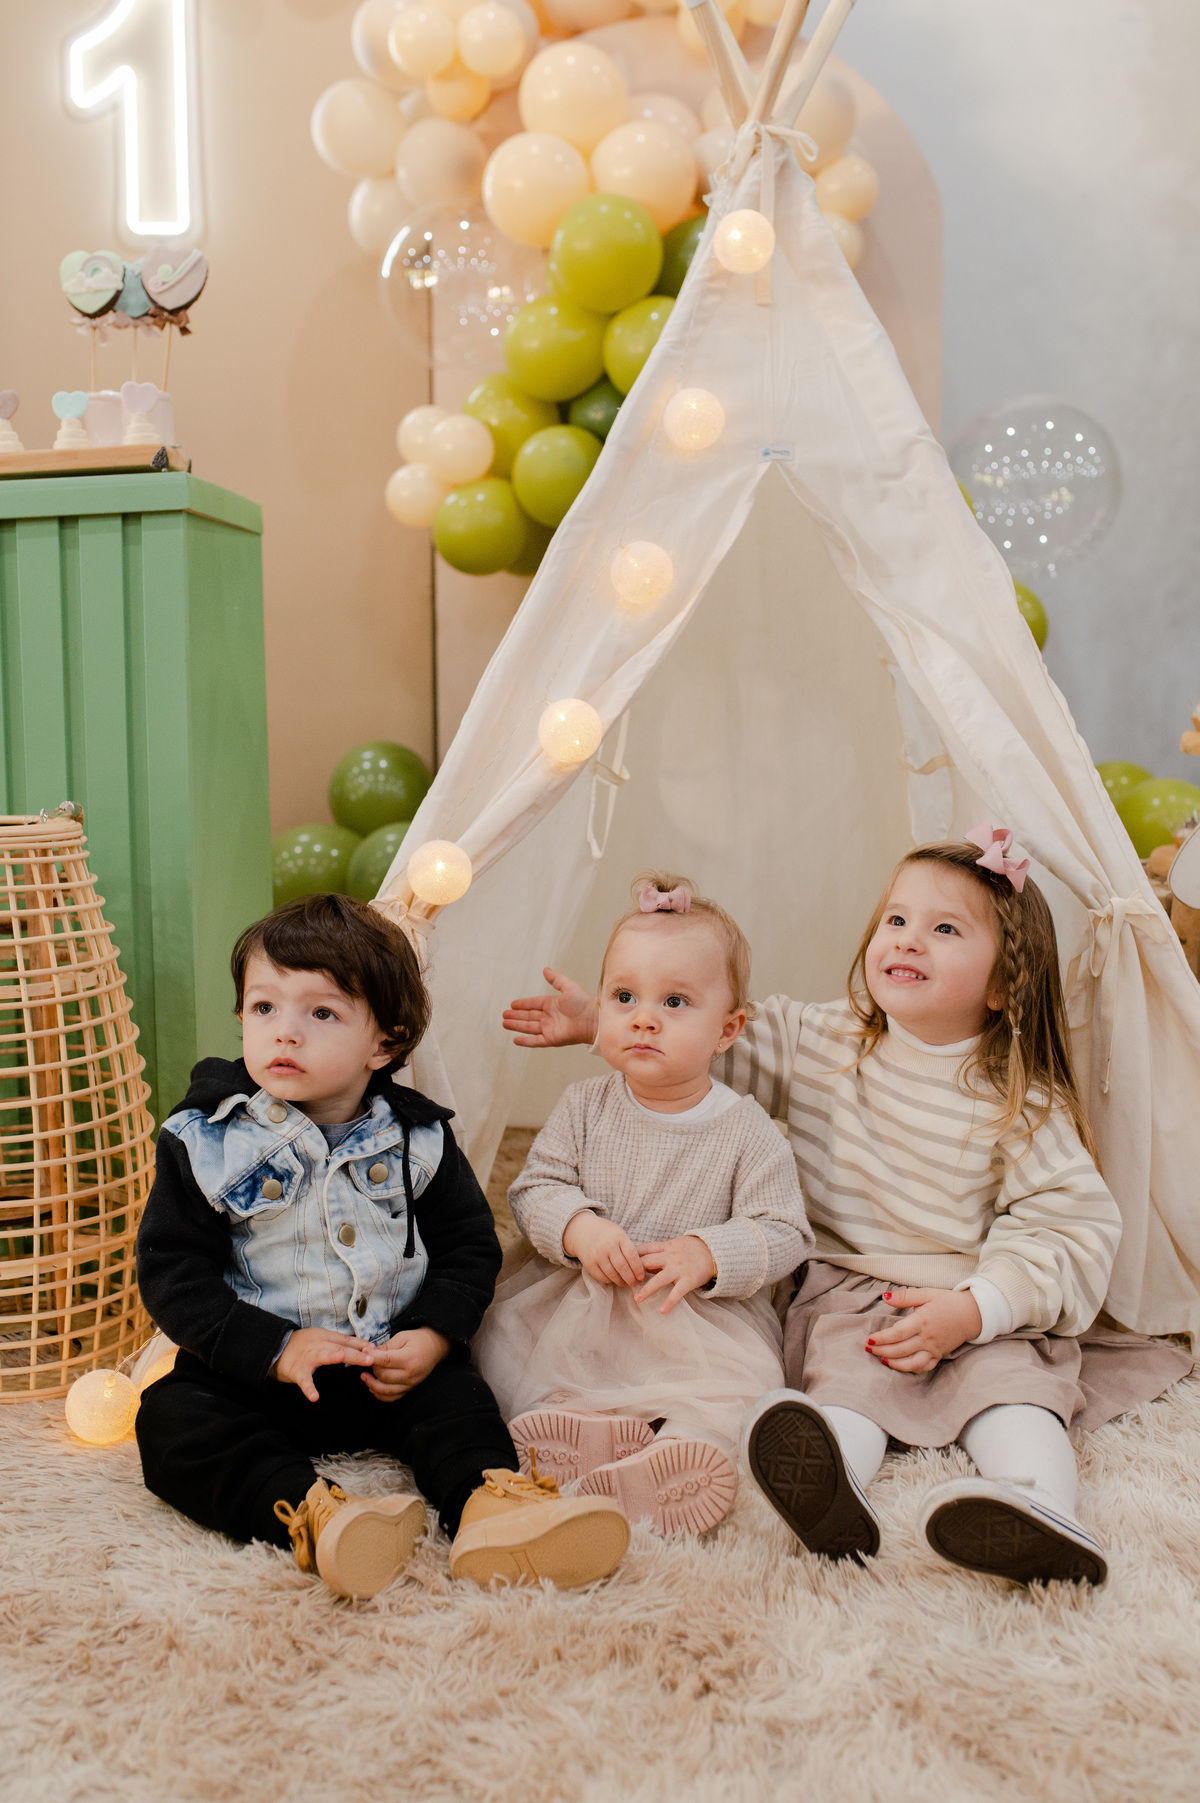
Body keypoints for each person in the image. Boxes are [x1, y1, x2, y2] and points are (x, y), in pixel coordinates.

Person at [501, 828, 1192, 1586]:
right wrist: (603, 1020)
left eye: (945, 929)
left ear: (1002, 983)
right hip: (851, 1297)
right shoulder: (826, 1042)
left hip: (974, 1296)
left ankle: (1039, 1505)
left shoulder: (1021, 1101)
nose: (909, 940)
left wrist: (977, 1309)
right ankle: (832, 1498)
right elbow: (706, 1030)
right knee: (841, 1397)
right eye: (896, 919)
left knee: (1015, 1399)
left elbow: (1065, 1224)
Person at [136, 893, 629, 1600]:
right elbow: (174, 1274)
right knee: (172, 1419)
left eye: (322, 1013)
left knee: (462, 1399)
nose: (285, 1033)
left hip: (388, 1367)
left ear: (385, 1043)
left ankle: (492, 1509)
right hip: (260, 1374)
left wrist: (431, 1335)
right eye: (264, 1007)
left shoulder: (418, 1138)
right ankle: (315, 1515)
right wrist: (274, 1349)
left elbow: (468, 1247)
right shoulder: (208, 1138)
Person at [479, 873, 813, 1536]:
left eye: (675, 1001)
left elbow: (783, 1230)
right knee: (505, 1343)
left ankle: (681, 1451)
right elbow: (535, 1187)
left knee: (739, 1385)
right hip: (581, 1297)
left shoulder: (745, 1128)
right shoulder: (584, 1104)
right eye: (624, 996)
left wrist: (708, 1253)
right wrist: (579, 1229)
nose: (643, 1018)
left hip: (692, 1315)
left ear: (727, 1030)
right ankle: (578, 1429)